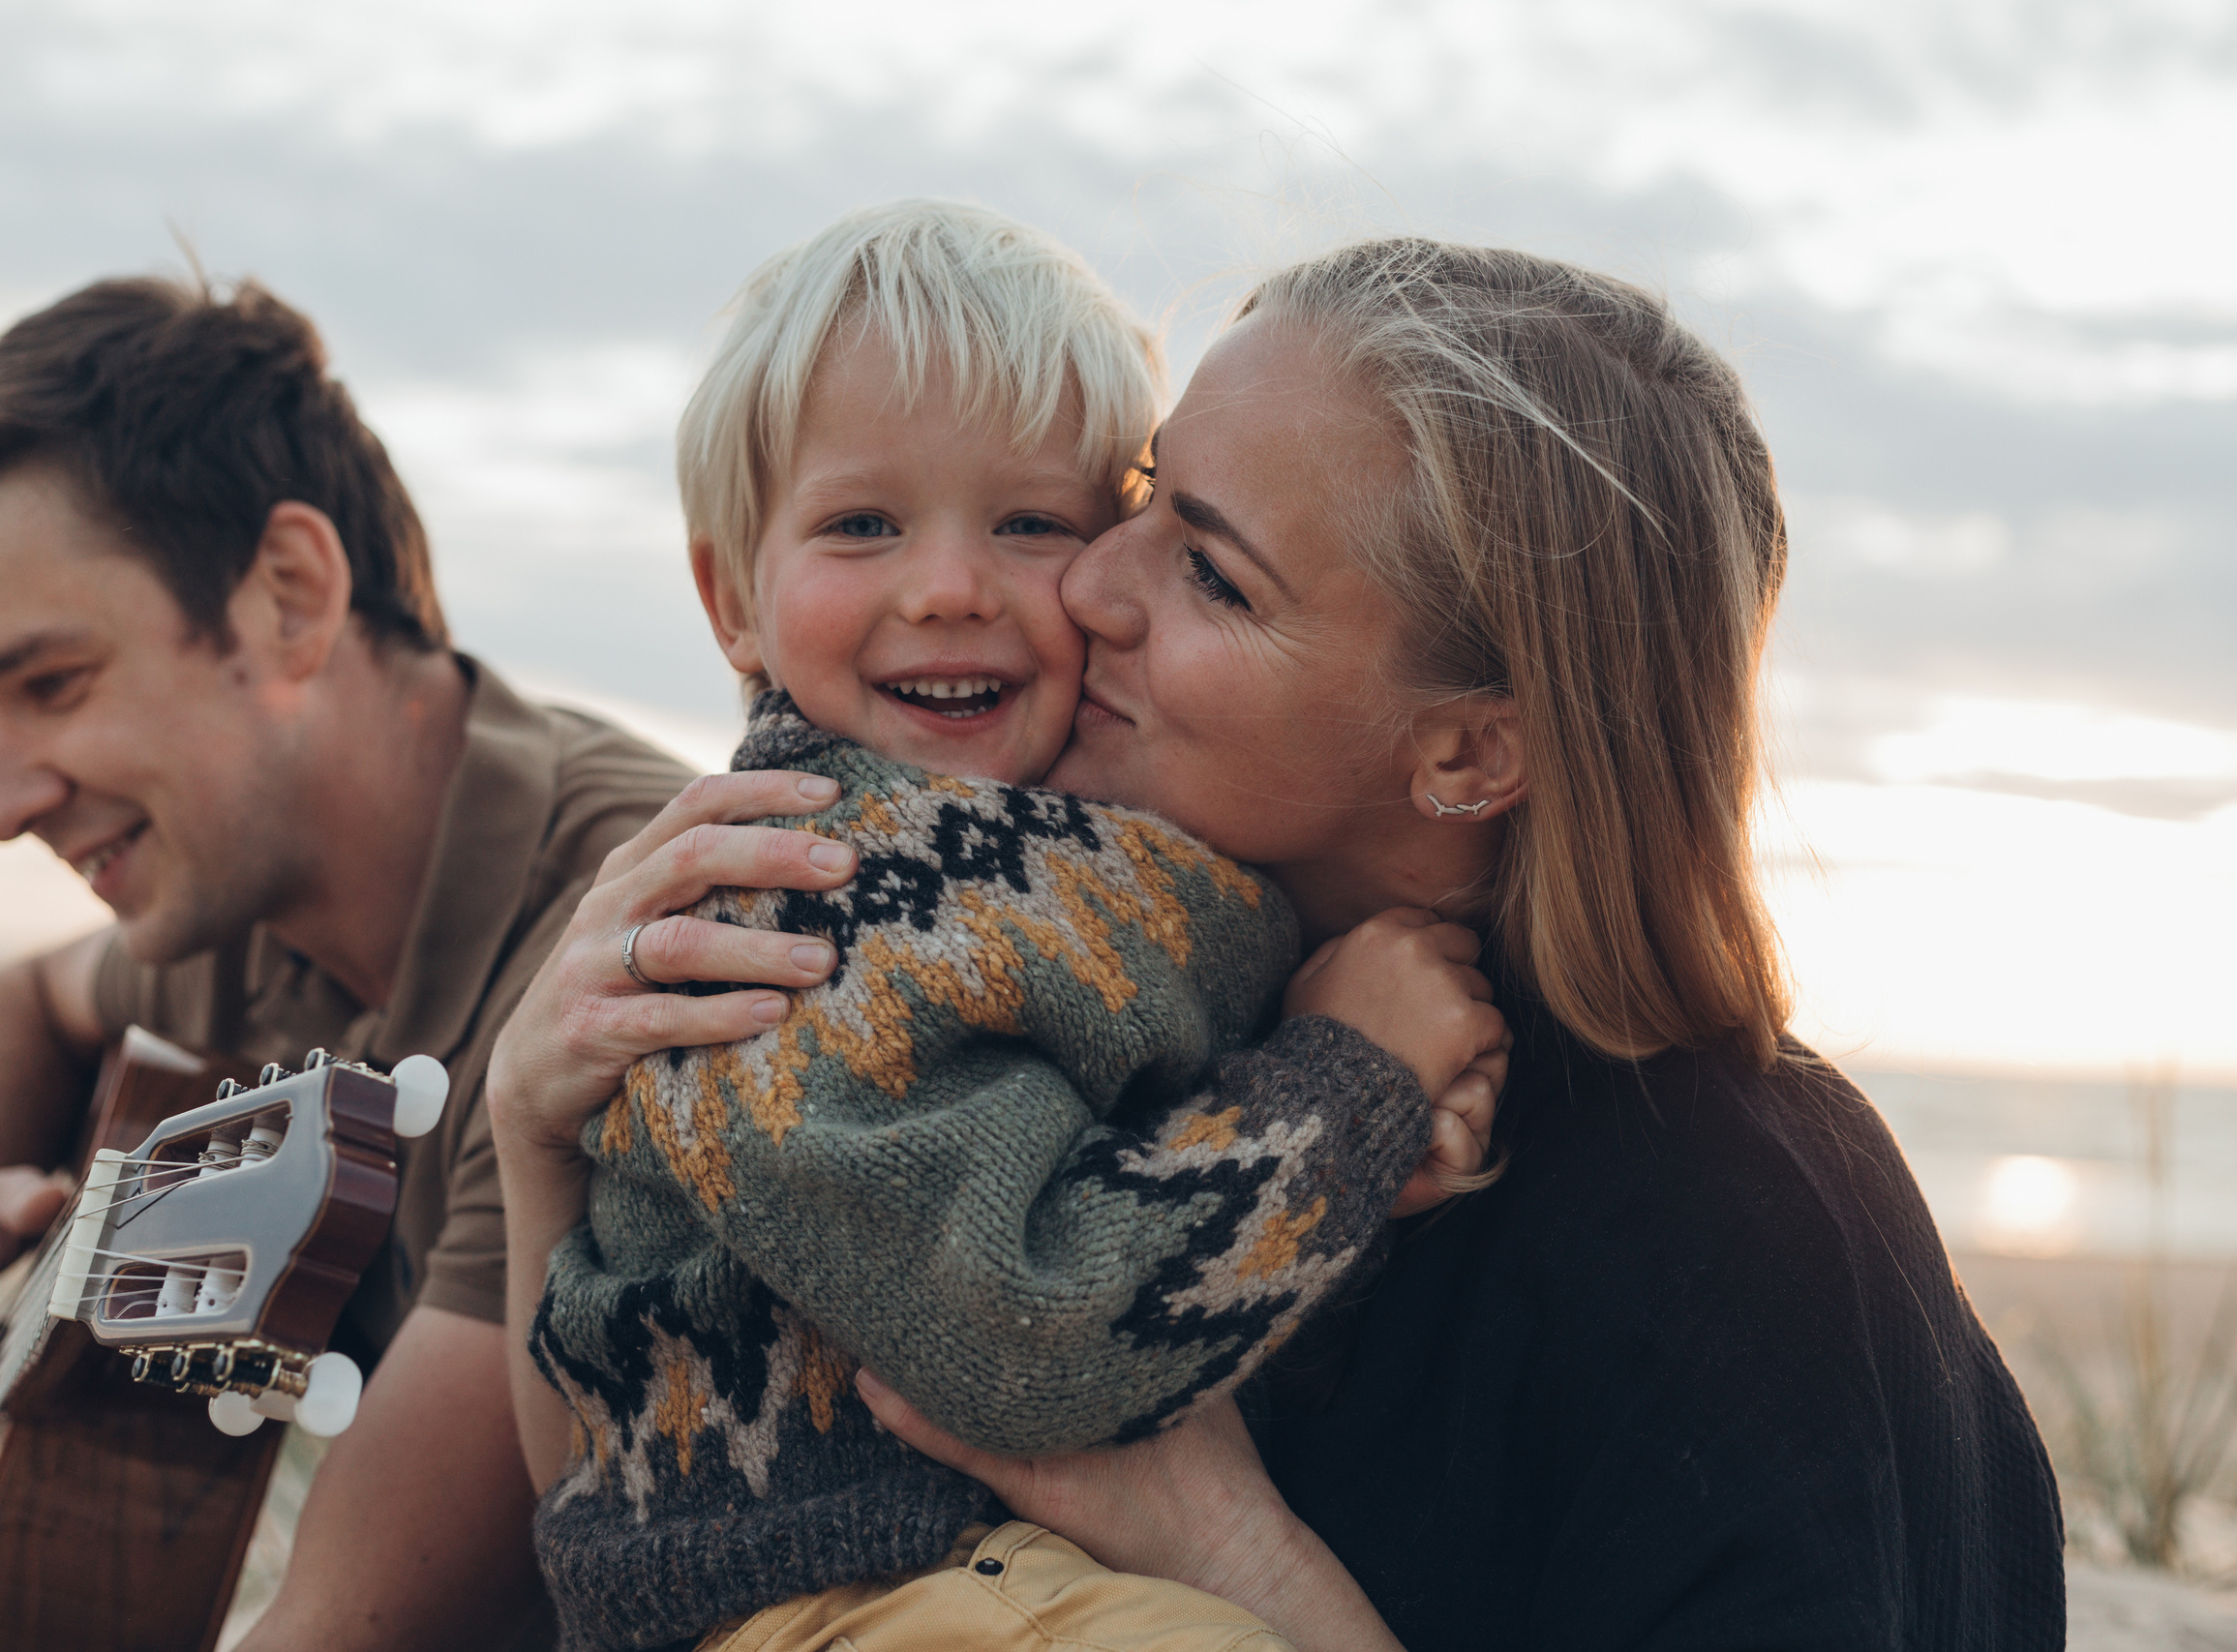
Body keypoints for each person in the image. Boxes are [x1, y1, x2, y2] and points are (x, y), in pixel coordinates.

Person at [520, 237, 2069, 1649]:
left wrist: (1230, 1549)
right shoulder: (1142, 1048)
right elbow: (625, 1524)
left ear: (1468, 754)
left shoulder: (1731, 1225)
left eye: (1209, 569)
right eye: (1137, 499)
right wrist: (541, 1126)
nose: (1080, 588)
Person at [494, 200, 1507, 1652]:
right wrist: (1347, 1085)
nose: (952, 586)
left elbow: (1139, 1153)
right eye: (862, 525)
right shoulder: (802, 892)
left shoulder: (1062, 867)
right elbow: (1028, 1330)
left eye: (1033, 522)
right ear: (732, 599)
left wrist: (1358, 1135)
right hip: (862, 1591)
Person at [0, 276, 851, 1650]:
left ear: (291, 594)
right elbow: (20, 1003)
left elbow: (344, 1625)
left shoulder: (623, 951)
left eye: (50, 685)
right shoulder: (236, 913)